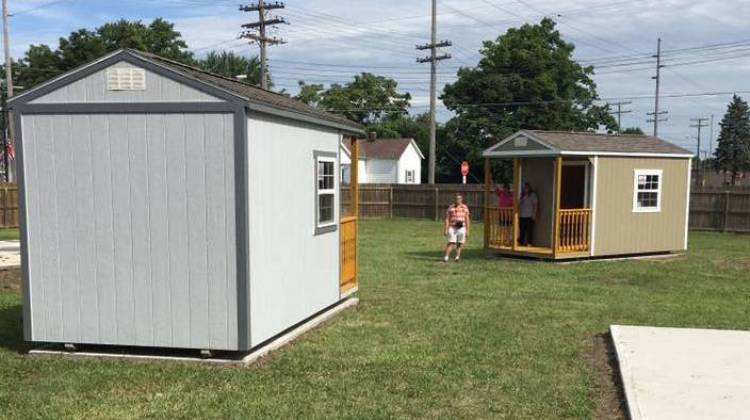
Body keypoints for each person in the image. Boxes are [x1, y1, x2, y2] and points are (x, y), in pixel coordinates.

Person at [443, 193, 470, 262]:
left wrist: (468, 230)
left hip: (461, 227)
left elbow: (467, 219)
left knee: (460, 243)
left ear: (461, 199)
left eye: (459, 199)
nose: (457, 200)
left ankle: (457, 257)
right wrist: (446, 229)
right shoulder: (451, 207)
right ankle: (446, 257)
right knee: (451, 242)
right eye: (456, 199)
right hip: (453, 227)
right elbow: (447, 219)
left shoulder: (464, 207)